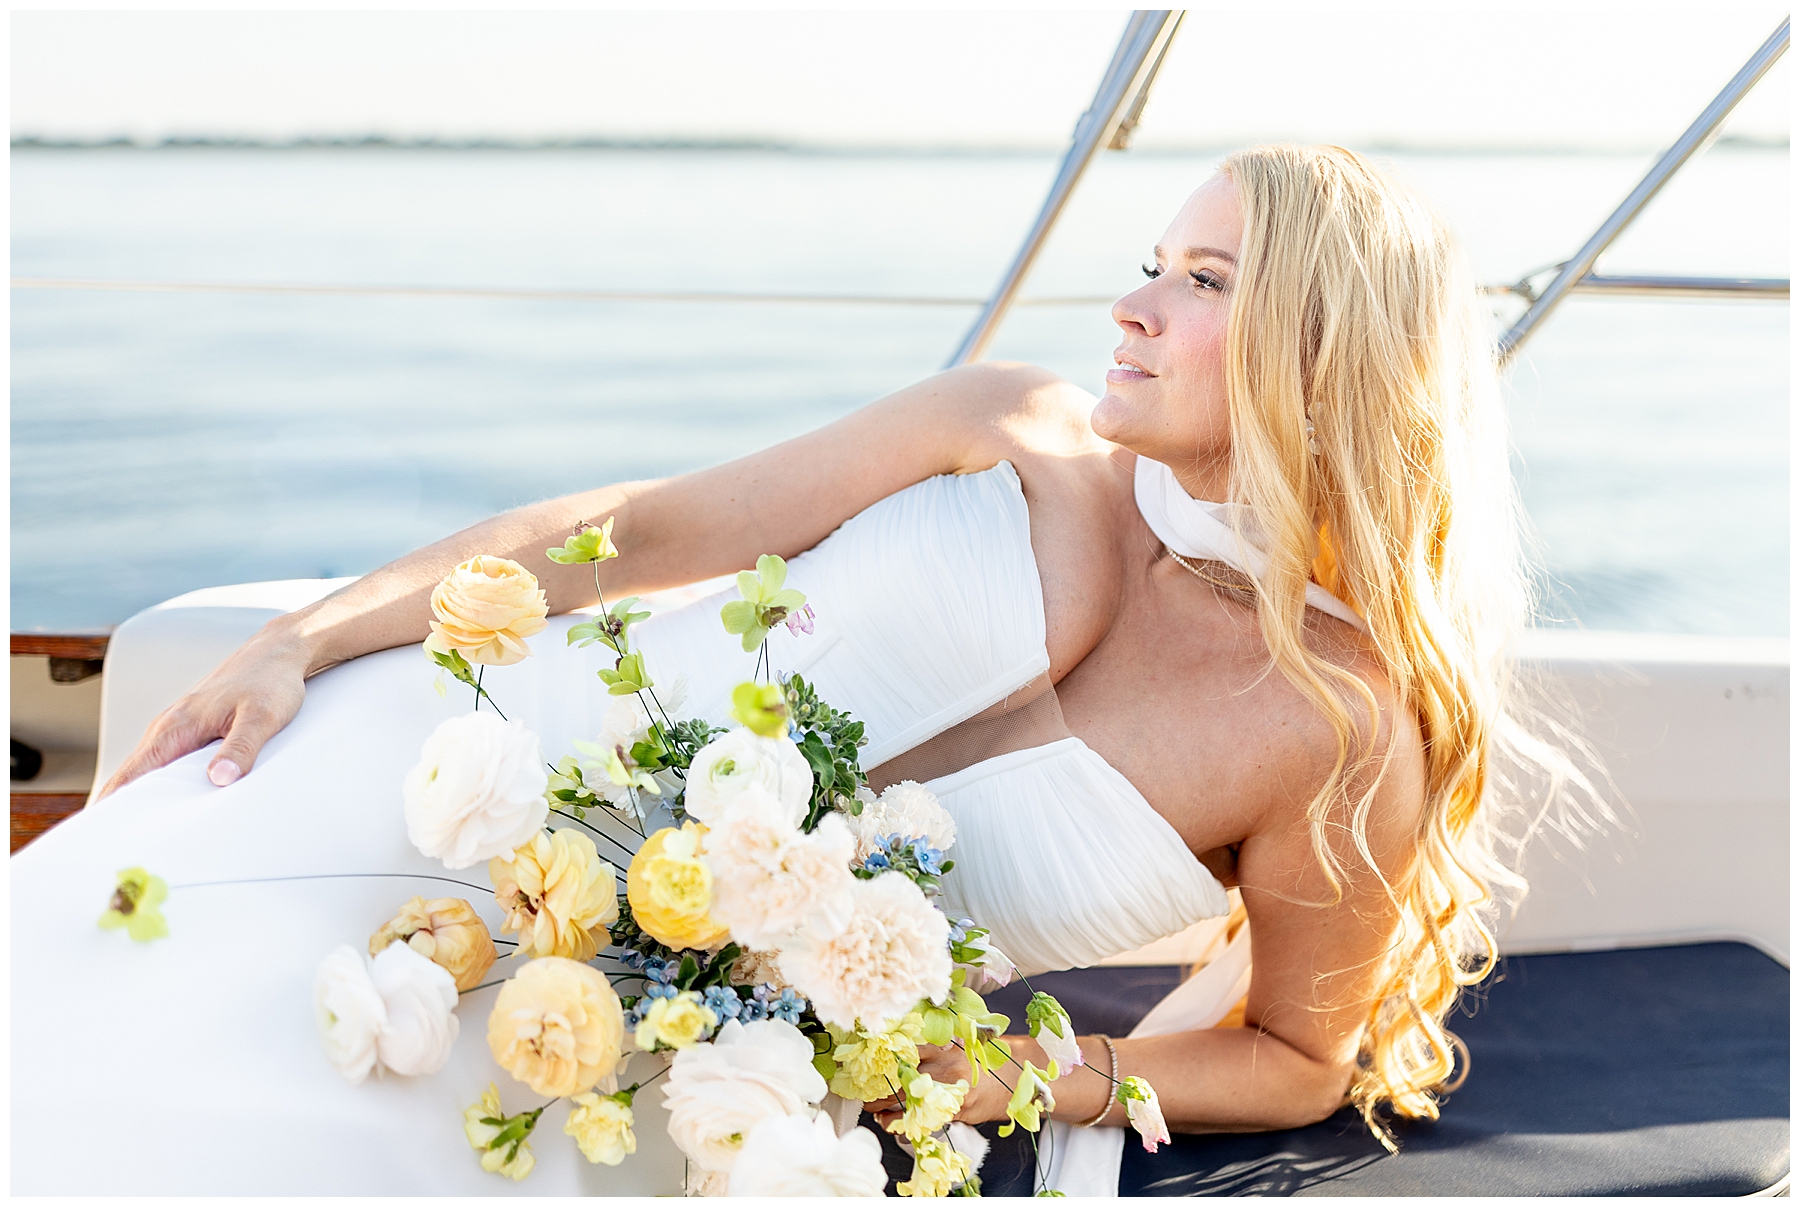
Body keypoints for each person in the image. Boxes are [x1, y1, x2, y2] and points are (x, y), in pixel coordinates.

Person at [16, 144, 1562, 1195]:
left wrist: (1039, 1071)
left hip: (662, 1047)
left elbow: (1300, 1059)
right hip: (460, 768)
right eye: (1153, 263)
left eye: (1205, 282)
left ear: (1321, 345)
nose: (1134, 305)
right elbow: (637, 536)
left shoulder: (1340, 726)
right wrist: (303, 644)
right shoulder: (1008, 420)